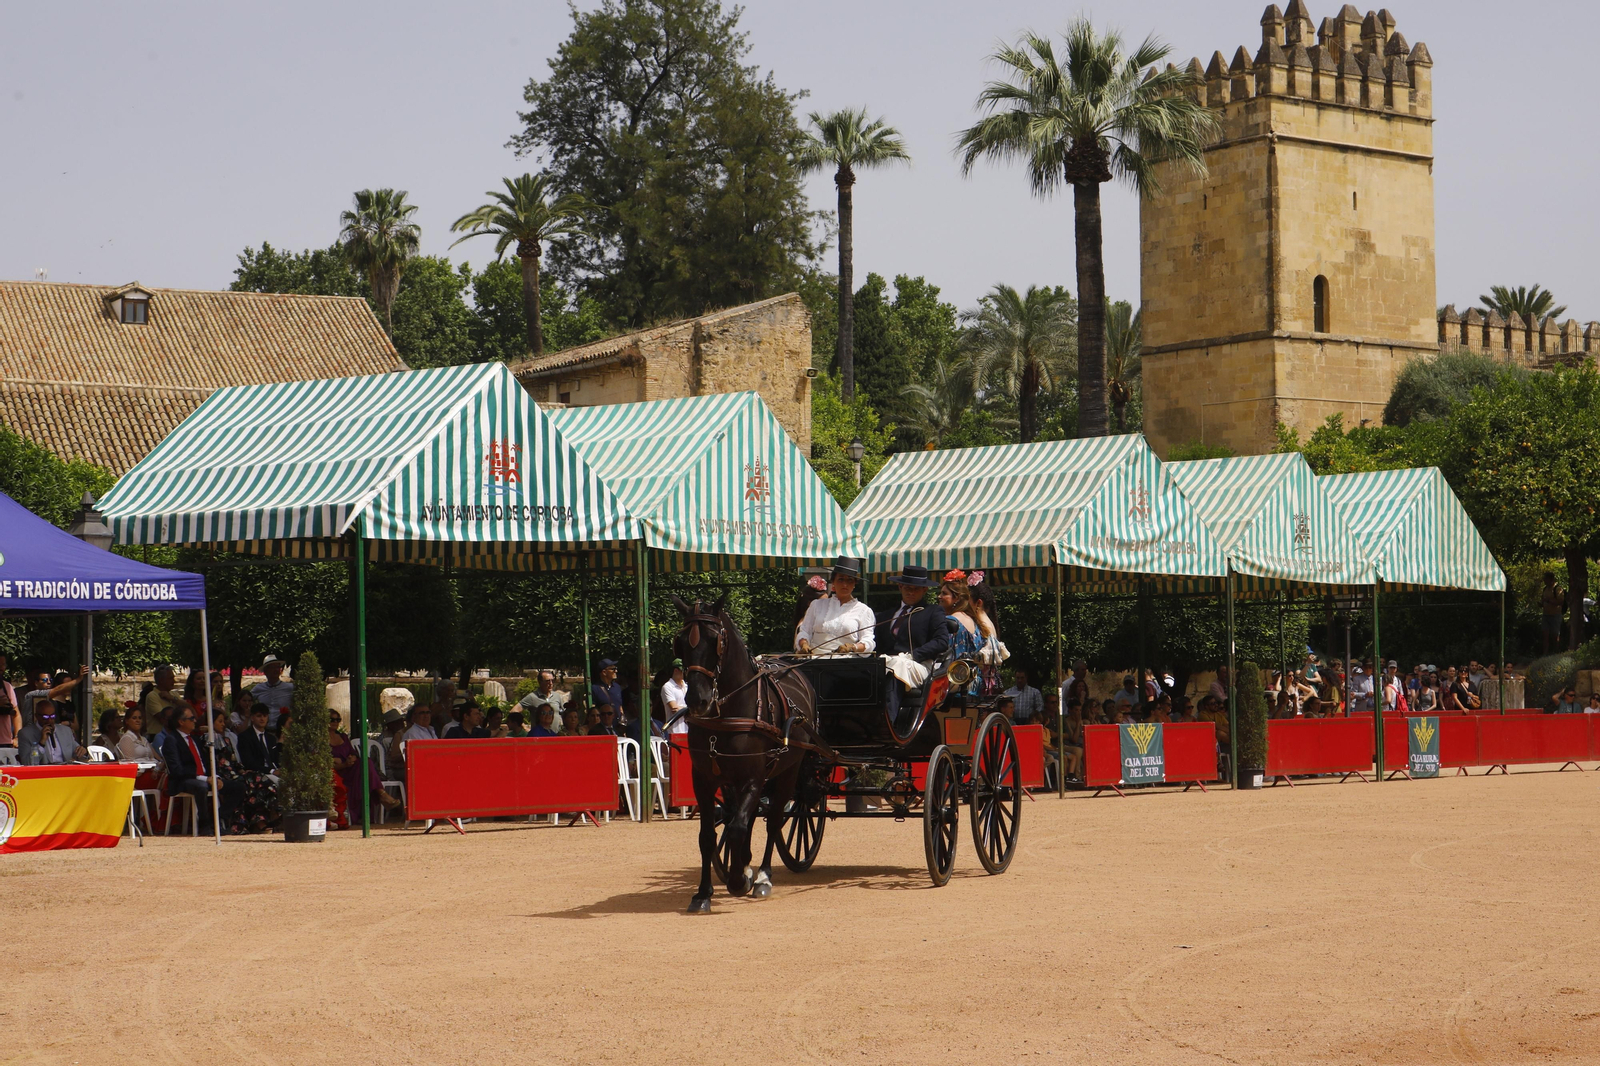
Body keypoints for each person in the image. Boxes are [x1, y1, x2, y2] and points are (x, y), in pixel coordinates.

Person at [797, 556, 877, 656]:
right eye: (840, 579)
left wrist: (853, 647)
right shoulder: (817, 605)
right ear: (833, 582)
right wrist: (804, 644)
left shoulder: (864, 611)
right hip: (815, 659)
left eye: (850, 580)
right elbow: (805, 631)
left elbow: (868, 640)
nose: (845, 584)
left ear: (854, 584)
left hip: (847, 661)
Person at [330, 710, 401, 822]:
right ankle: (382, 795)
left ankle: (381, 796)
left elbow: (353, 752)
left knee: (365, 762)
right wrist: (342, 763)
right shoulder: (322, 740)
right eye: (332, 719)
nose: (335, 722)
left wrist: (352, 758)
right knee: (365, 766)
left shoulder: (343, 737)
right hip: (338, 773)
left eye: (337, 719)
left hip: (351, 769)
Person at [160, 705, 216, 832]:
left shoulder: (195, 739)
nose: (195, 721)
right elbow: (177, 770)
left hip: (204, 777)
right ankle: (204, 825)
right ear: (181, 722)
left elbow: (206, 762)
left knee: (236, 787)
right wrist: (204, 778)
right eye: (191, 718)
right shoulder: (172, 740)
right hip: (182, 780)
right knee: (201, 787)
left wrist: (214, 777)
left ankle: (219, 821)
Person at [18, 704, 87, 765]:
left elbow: (78, 753)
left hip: (64, 771)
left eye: (52, 716)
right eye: (45, 717)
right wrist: (41, 743)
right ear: (37, 716)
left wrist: (83, 751)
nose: (49, 720)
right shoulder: (25, 734)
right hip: (43, 772)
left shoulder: (65, 731)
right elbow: (27, 763)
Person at [250, 655, 295, 729]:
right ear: (265, 671)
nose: (276, 670)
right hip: (264, 731)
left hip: (283, 730)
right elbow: (245, 699)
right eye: (272, 667)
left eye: (277, 667)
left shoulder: (290, 688)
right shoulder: (258, 689)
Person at [115, 705, 164, 771]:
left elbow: (156, 757)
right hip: (138, 773)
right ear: (127, 721)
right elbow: (130, 763)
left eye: (140, 718)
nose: (138, 720)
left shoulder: (144, 739)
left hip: (152, 770)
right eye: (134, 718)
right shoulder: (127, 738)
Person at [141, 666, 186, 738]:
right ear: (161, 680)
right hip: (158, 736)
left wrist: (173, 699)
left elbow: (187, 708)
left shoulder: (174, 695)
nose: (174, 681)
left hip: (174, 735)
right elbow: (163, 719)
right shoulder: (152, 696)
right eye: (170, 678)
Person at [237, 704, 280, 779]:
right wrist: (271, 771)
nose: (262, 719)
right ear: (252, 718)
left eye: (265, 716)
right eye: (259, 716)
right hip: (258, 774)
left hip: (276, 772)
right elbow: (248, 763)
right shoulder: (244, 737)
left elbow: (276, 759)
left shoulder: (271, 738)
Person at [1540, 571, 1565, 655]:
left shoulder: (1557, 589)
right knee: (1545, 635)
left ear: (1551, 579)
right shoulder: (1545, 589)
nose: (1544, 581)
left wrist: (1548, 601)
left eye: (1546, 579)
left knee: (1555, 635)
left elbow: (1560, 601)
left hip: (1555, 615)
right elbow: (1543, 599)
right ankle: (1545, 654)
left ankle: (1556, 653)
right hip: (1546, 615)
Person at [0, 652, 20, 749]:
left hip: (6, 743)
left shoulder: (7, 686)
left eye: (3, 664)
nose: (1, 668)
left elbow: (16, 714)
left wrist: (17, 737)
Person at [662, 660, 689, 731]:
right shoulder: (668, 687)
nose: (686, 673)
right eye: (683, 671)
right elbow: (674, 708)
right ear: (676, 671)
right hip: (675, 731)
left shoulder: (687, 686)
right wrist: (690, 710)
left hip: (688, 730)